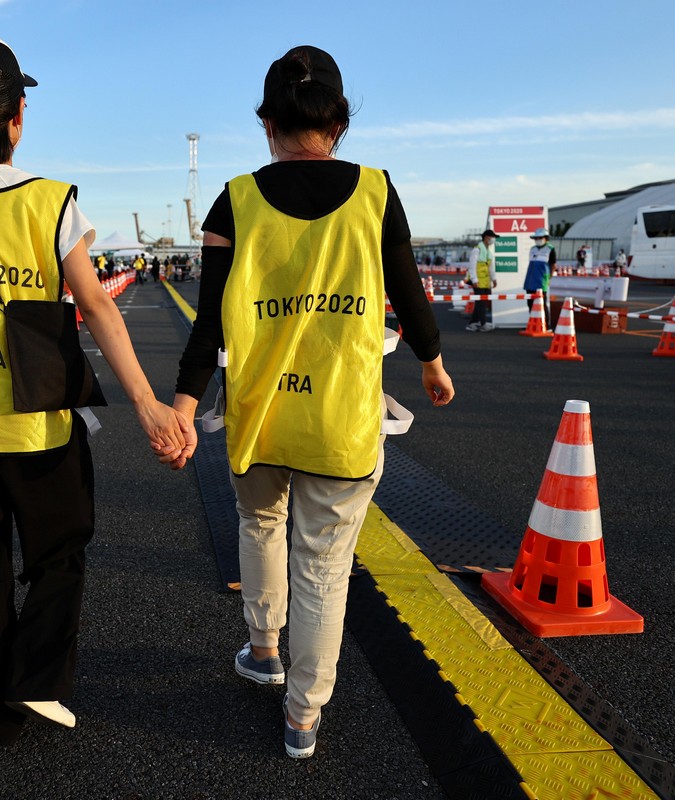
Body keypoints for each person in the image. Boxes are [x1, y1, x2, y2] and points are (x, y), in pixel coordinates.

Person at [0, 31, 190, 746]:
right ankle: (41, 678)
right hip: (38, 422)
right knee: (60, 549)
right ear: (18, 114)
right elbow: (100, 306)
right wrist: (146, 404)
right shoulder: (52, 202)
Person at [166, 44, 454, 759]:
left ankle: (264, 650)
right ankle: (303, 715)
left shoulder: (234, 198)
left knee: (260, 524)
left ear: (268, 123)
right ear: (341, 120)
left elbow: (210, 321)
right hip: (341, 418)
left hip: (257, 411)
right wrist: (433, 363)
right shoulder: (376, 191)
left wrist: (180, 403)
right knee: (323, 566)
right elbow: (410, 296)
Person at [467, 229, 498, 331]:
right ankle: (483, 323)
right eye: (492, 237)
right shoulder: (477, 250)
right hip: (478, 281)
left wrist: (494, 279)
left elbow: (490, 268)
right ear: (486, 237)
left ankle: (473, 323)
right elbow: (472, 266)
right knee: (481, 303)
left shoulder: (488, 252)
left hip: (485, 281)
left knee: (482, 302)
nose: (493, 239)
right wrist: (474, 279)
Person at [524, 227, 556, 311]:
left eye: (540, 238)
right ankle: (532, 323)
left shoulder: (550, 249)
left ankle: (546, 324)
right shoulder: (532, 249)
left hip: (541, 281)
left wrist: (549, 279)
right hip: (530, 282)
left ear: (546, 238)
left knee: (542, 305)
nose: (538, 239)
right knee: (530, 304)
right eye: (536, 238)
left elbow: (553, 266)